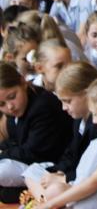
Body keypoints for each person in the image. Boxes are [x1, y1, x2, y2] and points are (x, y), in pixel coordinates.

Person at [37, 73, 97, 209]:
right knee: (55, 191)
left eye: (95, 114)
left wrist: (51, 204)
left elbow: (95, 181)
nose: (93, 121)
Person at [24, 62, 97, 202]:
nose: (63, 108)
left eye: (67, 101)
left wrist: (64, 178)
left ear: (87, 94)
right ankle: (46, 199)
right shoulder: (79, 119)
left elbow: (94, 172)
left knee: (56, 190)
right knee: (32, 171)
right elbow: (71, 153)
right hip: (71, 176)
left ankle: (45, 201)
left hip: (86, 183)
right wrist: (59, 170)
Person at [0, 62, 73, 201]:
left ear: (23, 82)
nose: (10, 107)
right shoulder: (16, 110)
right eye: (1, 104)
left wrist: (3, 154)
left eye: (12, 97)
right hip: (33, 163)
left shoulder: (42, 106)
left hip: (53, 166)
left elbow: (31, 152)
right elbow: (15, 141)